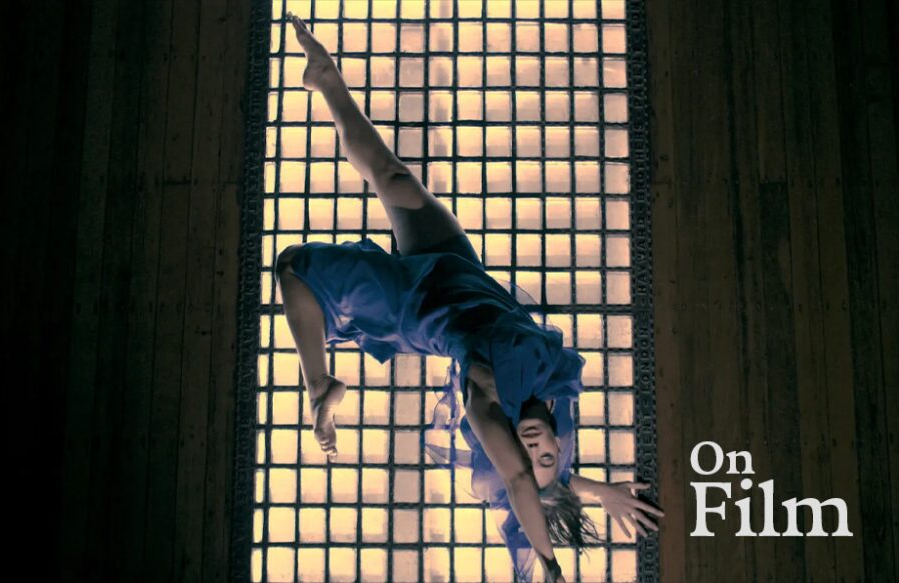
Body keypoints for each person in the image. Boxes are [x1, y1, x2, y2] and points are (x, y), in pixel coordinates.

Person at [274, 13, 664, 582]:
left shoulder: (486, 397)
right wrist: (601, 491)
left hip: (418, 306)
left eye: (525, 453)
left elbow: (520, 480)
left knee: (294, 269)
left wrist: (550, 568)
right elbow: (549, 478)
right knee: (392, 176)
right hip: (460, 274)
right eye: (547, 451)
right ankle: (327, 78)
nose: (534, 448)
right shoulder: (556, 388)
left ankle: (319, 381)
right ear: (560, 440)